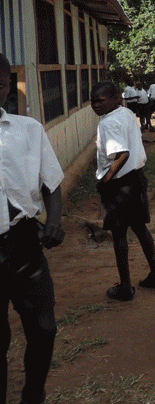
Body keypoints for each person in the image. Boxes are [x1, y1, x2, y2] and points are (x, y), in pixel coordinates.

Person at [0, 53, 65, 404]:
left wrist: (53, 222)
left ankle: (33, 394)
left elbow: (51, 184)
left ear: (8, 86)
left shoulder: (28, 130)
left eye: (0, 83)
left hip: (25, 242)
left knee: (43, 329)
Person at [90, 81, 155, 301]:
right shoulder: (125, 113)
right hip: (136, 178)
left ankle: (125, 286)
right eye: (92, 101)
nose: (95, 105)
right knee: (140, 228)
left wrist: (105, 179)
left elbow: (121, 154)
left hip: (119, 184)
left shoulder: (107, 124)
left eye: (100, 101)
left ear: (115, 99)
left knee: (119, 234)